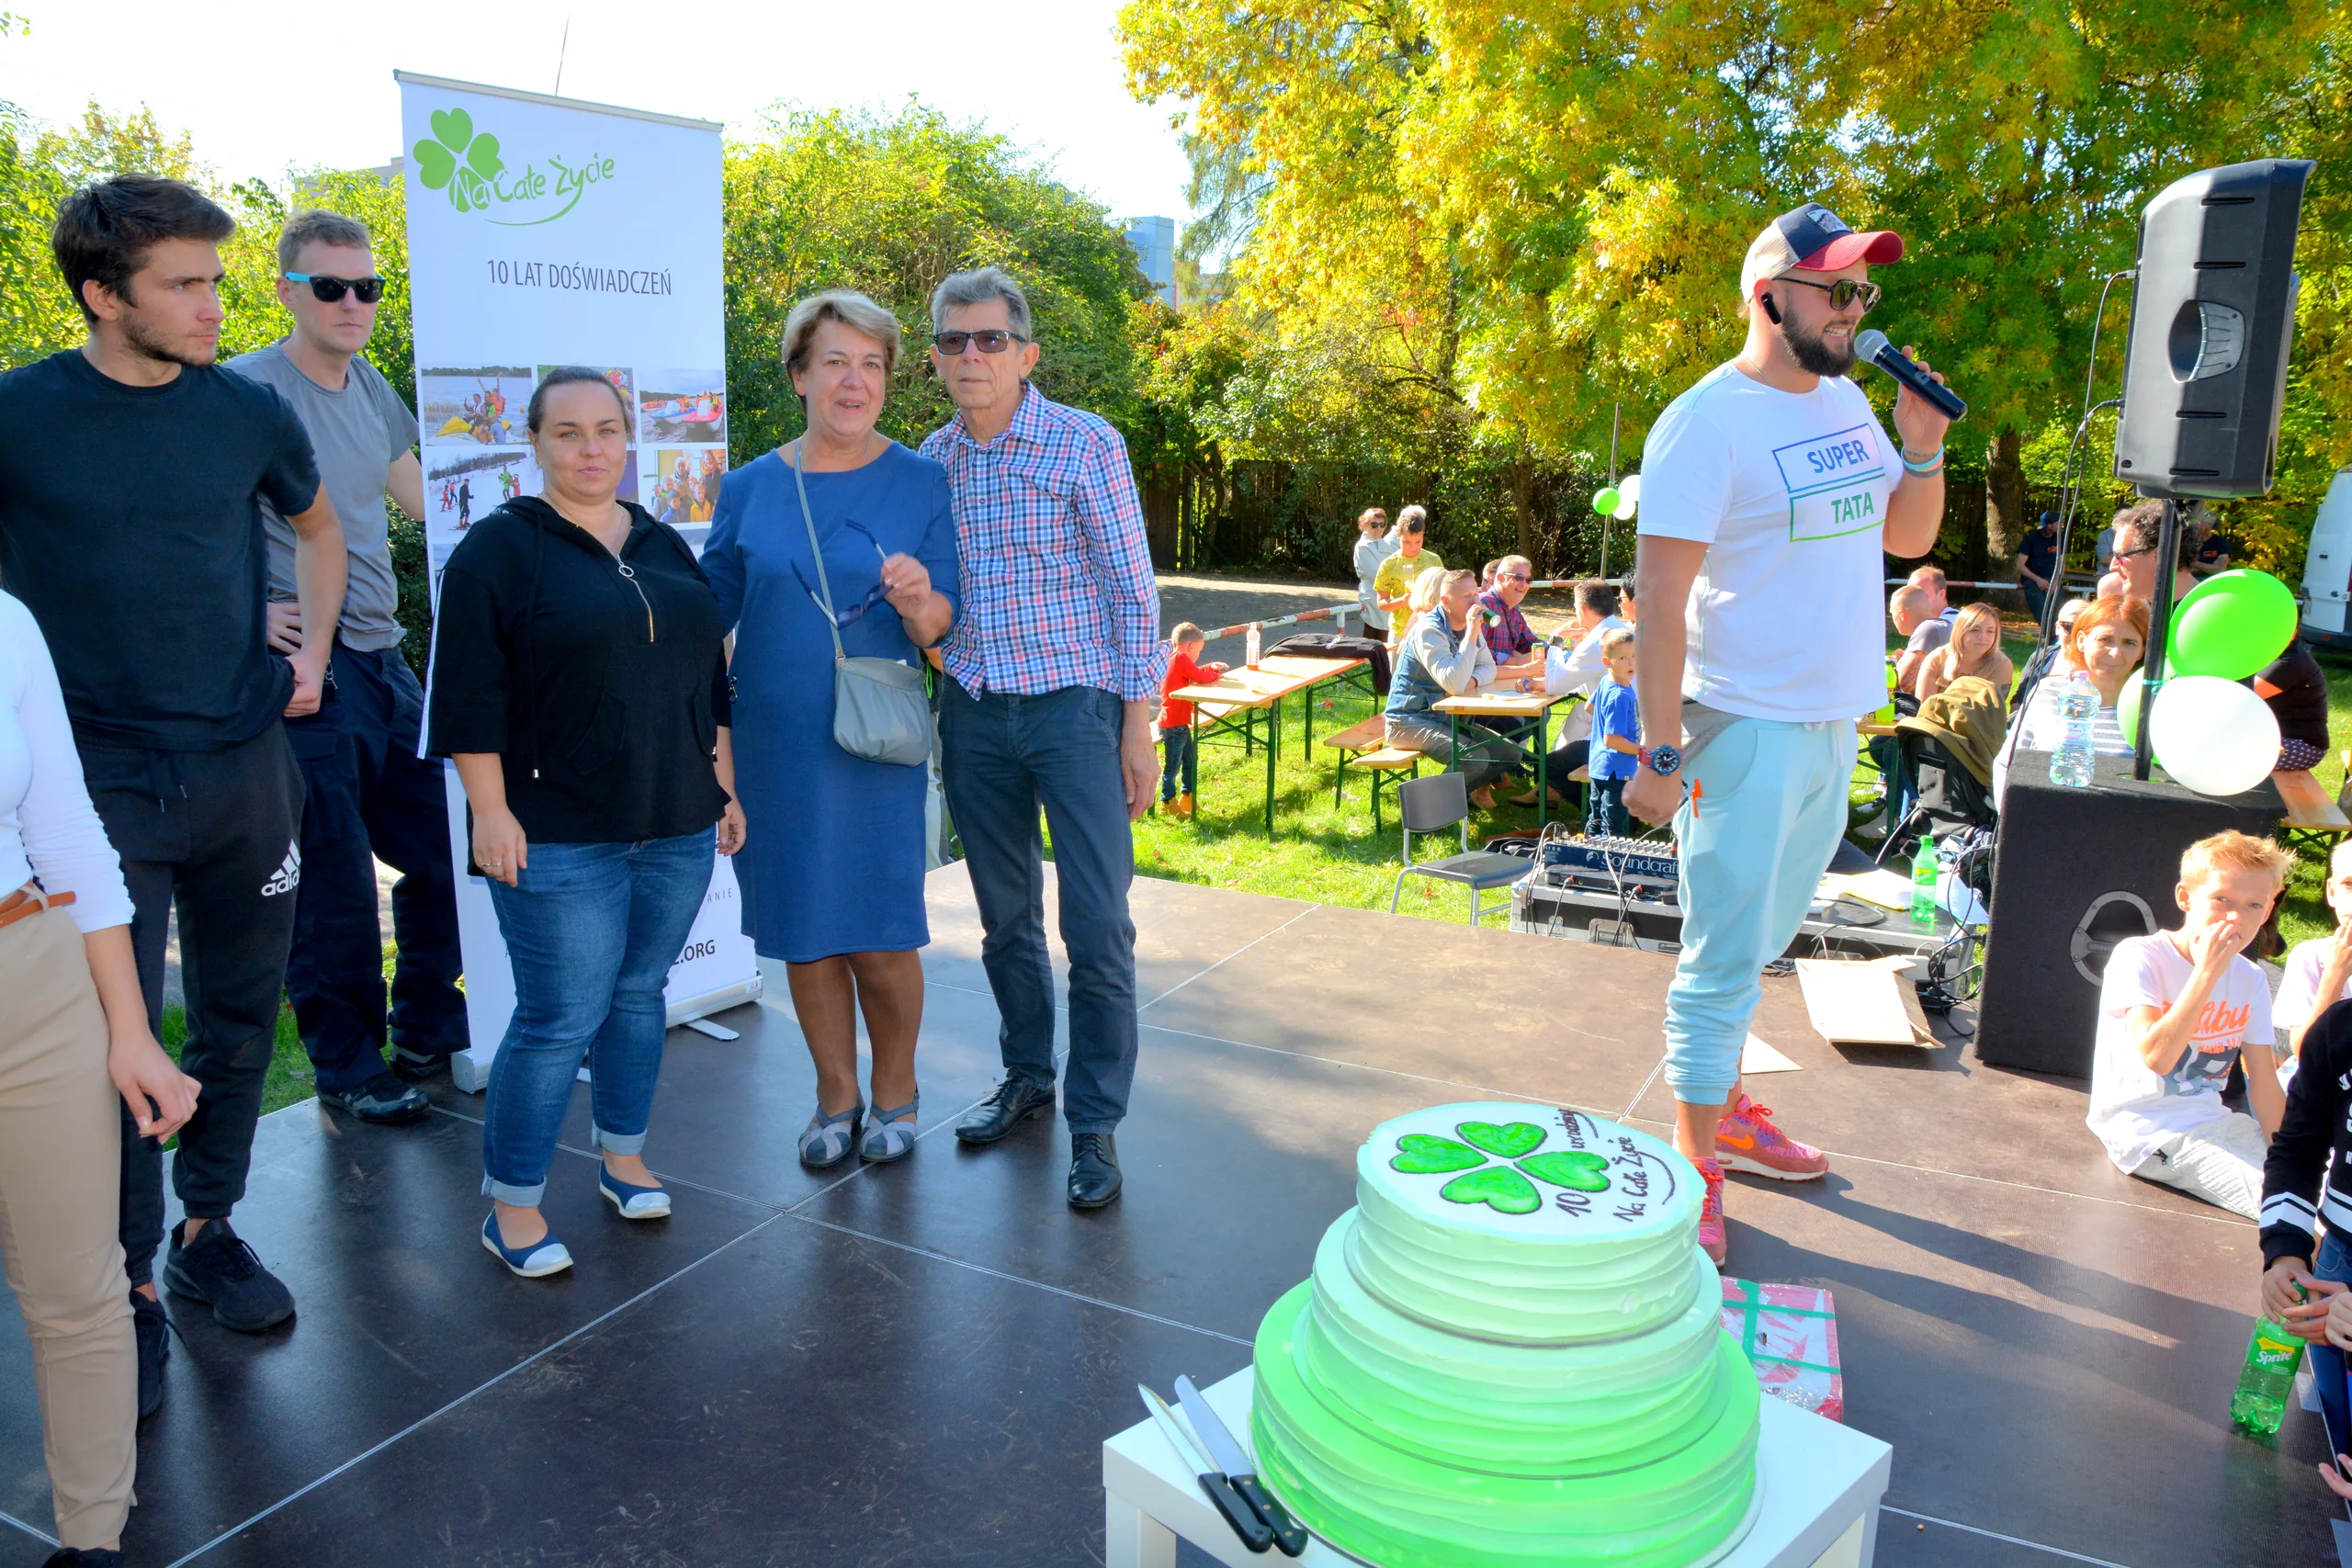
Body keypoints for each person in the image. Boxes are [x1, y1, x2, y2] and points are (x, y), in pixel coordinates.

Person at [0, 175, 347, 1412]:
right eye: (185, 284)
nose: (216, 304)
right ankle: (126, 1290)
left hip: (247, 765)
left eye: (217, 277)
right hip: (90, 786)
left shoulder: (244, 411)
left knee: (243, 1013)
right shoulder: (18, 415)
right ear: (104, 296)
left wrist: (306, 657)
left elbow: (317, 527)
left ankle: (204, 1233)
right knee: (114, 1041)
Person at [1626, 200, 1951, 1264]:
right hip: (1743, 726)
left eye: (1863, 289)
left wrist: (1920, 448)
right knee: (1720, 956)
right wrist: (1662, 754)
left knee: (1762, 943)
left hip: (1832, 722)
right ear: (1770, 298)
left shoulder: (1853, 404)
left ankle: (1722, 1115)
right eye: (1838, 289)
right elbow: (1659, 600)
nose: (1857, 308)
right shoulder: (1704, 421)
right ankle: (1694, 1163)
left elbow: (1905, 537)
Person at [426, 367, 745, 1279]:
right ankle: (512, 1206)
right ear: (533, 444)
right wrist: (489, 812)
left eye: (608, 429)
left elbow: (707, 681)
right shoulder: (497, 551)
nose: (592, 448)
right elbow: (468, 695)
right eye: (568, 432)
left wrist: (722, 787)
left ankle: (622, 1155)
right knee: (558, 1016)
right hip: (556, 833)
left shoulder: (660, 542)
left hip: (676, 820)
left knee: (641, 994)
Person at [921, 266, 1165, 1211]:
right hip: (975, 709)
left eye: (989, 340)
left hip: (1076, 710)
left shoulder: (1083, 444)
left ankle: (1094, 1126)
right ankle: (1029, 1076)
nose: (970, 355)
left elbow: (1130, 590)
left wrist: (1137, 722)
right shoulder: (928, 461)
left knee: (1097, 924)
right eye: (953, 340)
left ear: (1026, 354)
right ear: (937, 358)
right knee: (1003, 919)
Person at [703, 292, 959, 1170]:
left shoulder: (923, 481)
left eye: (873, 364)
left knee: (883, 933)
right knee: (804, 933)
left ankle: (897, 1090)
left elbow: (939, 630)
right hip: (775, 747)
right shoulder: (747, 488)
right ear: (800, 374)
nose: (856, 381)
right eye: (837, 362)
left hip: (874, 744)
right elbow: (709, 619)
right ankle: (834, 1095)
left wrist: (919, 596)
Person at [226, 209, 465, 1123]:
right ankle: (349, 1064)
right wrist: (248, 614)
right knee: (328, 878)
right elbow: (183, 524)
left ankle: (426, 1026)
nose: (352, 302)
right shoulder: (247, 393)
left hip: (382, 658)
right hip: (301, 670)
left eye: (367, 287)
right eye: (329, 286)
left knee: (450, 841)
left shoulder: (370, 388)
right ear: (289, 291)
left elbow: (430, 503)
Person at [1, 591, 201, 1567]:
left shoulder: (6, 622)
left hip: (29, 976)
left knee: (79, 1292)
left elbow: (69, 831)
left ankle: (95, 1542)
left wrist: (131, 1029)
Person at [2087, 830, 2288, 1219]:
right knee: (2283, 1207)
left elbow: (2263, 1081)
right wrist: (2207, 973)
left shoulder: (2251, 979)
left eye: (2253, 906)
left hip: (2216, 1122)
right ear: (2185, 897)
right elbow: (2158, 1058)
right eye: (2221, 899)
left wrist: (2296, 1155)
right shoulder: (2139, 957)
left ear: (2266, 913)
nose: (2235, 917)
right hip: (2148, 1132)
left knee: (2323, 1191)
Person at [1383, 568, 1529, 809]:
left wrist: (1469, 681)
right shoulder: (1429, 630)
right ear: (1445, 602)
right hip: (1408, 720)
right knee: (1473, 758)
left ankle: (1456, 799)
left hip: (1446, 717)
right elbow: (1452, 682)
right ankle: (1425, 811)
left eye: (1476, 593)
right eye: (1466, 596)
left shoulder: (1469, 626)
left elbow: (1488, 668)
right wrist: (1472, 636)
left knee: (1509, 755)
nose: (1475, 601)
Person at [1991, 593, 2148, 803]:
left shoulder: (2150, 706)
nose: (2115, 653)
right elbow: (2006, 764)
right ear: (2082, 641)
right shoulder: (2048, 691)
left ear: (2142, 650)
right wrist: (2013, 820)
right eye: (2105, 639)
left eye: (2129, 643)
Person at [1526, 579, 1630, 811]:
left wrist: (1555, 640)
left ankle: (1604, 813)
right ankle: (1548, 793)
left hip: (1619, 735)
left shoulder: (1597, 641)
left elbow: (1555, 686)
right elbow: (1582, 682)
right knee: (1575, 723)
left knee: (1549, 765)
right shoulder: (1622, 630)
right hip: (1632, 725)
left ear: (1582, 610)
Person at [2272, 840, 2352, 1091]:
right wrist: (2333, 978)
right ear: (2332, 892)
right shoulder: (2311, 956)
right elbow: (2304, 1052)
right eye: (2349, 885)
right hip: (2321, 1092)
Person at [1155, 622, 1227, 819]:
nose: (1199, 655)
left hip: (1178, 723)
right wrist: (1213, 673)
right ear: (1192, 646)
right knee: (1173, 766)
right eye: (1200, 650)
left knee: (1189, 760)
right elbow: (1200, 678)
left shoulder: (1175, 657)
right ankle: (1167, 801)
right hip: (1172, 724)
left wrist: (1209, 667)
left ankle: (1188, 796)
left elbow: (1193, 672)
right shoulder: (1180, 658)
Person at [1583, 628, 1640, 837]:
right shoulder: (1621, 696)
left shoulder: (1607, 682)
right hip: (1617, 769)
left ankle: (1588, 859)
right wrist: (1641, 751)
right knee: (1612, 826)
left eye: (1634, 656)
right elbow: (1612, 739)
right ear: (1607, 662)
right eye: (1623, 658)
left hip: (1599, 765)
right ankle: (1610, 863)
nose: (1631, 663)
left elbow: (1589, 707)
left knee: (1595, 819)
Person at [2255, 636, 2330, 773]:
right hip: (2272, 735)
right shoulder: (2266, 653)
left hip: (2302, 744)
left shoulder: (2290, 660)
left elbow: (2247, 695)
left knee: (2233, 757)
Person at [1916, 602, 2014, 705]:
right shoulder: (1937, 658)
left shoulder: (2002, 665)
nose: (1983, 637)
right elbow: (1923, 708)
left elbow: (1991, 713)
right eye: (1975, 630)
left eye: (1990, 631)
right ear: (1960, 631)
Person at [1372, 507, 1442, 649]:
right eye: (1407, 542)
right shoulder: (1388, 565)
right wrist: (1403, 601)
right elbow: (1381, 603)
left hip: (1430, 630)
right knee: (1397, 672)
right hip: (1399, 632)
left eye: (1418, 541)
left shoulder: (1434, 560)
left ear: (1423, 534)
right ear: (1398, 535)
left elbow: (1444, 594)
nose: (1413, 547)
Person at [2007, 593, 2087, 717]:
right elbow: (2018, 700)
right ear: (2057, 628)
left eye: (2084, 629)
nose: (2075, 635)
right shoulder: (2041, 657)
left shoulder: (2099, 666)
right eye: (2069, 627)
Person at [2112, 501, 2199, 606]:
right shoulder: (2131, 613)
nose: (2113, 566)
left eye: (2120, 556)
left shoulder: (2210, 612)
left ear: (2158, 555)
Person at [1474, 555, 1543, 679]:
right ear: (1500, 578)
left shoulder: (1514, 609)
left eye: (1528, 580)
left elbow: (1530, 643)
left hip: (1504, 682)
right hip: (1480, 684)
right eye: (1518, 577)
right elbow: (1475, 651)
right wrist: (1514, 662)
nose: (1524, 584)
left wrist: (1559, 648)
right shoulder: (1484, 604)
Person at [1889, 584, 1948, 697]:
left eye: (1892, 613)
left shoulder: (1927, 629)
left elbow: (1906, 684)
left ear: (1901, 614)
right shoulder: (1941, 626)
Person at [1353, 508, 1397, 637]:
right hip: (1372, 598)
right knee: (1372, 640)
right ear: (1364, 525)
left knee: (1386, 639)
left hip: (1387, 599)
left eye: (1382, 524)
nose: (1378, 528)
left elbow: (1396, 536)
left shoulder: (1383, 542)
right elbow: (1375, 573)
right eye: (1374, 524)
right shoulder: (1362, 546)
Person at [2015, 510, 2060, 625]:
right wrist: (2038, 580)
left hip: (2053, 580)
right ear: (2050, 525)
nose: (2061, 525)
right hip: (2032, 581)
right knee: (2042, 611)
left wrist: (2056, 580)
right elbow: (2020, 566)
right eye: (2058, 522)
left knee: (2059, 612)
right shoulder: (2030, 539)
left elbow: (2061, 562)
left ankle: (2059, 633)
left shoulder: (2060, 539)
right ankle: (2049, 635)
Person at [2190, 506, 2238, 578]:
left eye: (2199, 523)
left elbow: (2220, 569)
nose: (2195, 525)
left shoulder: (2221, 542)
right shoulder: (2188, 541)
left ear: (2209, 526)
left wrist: (2194, 563)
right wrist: (2211, 566)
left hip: (2213, 582)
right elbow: (2183, 570)